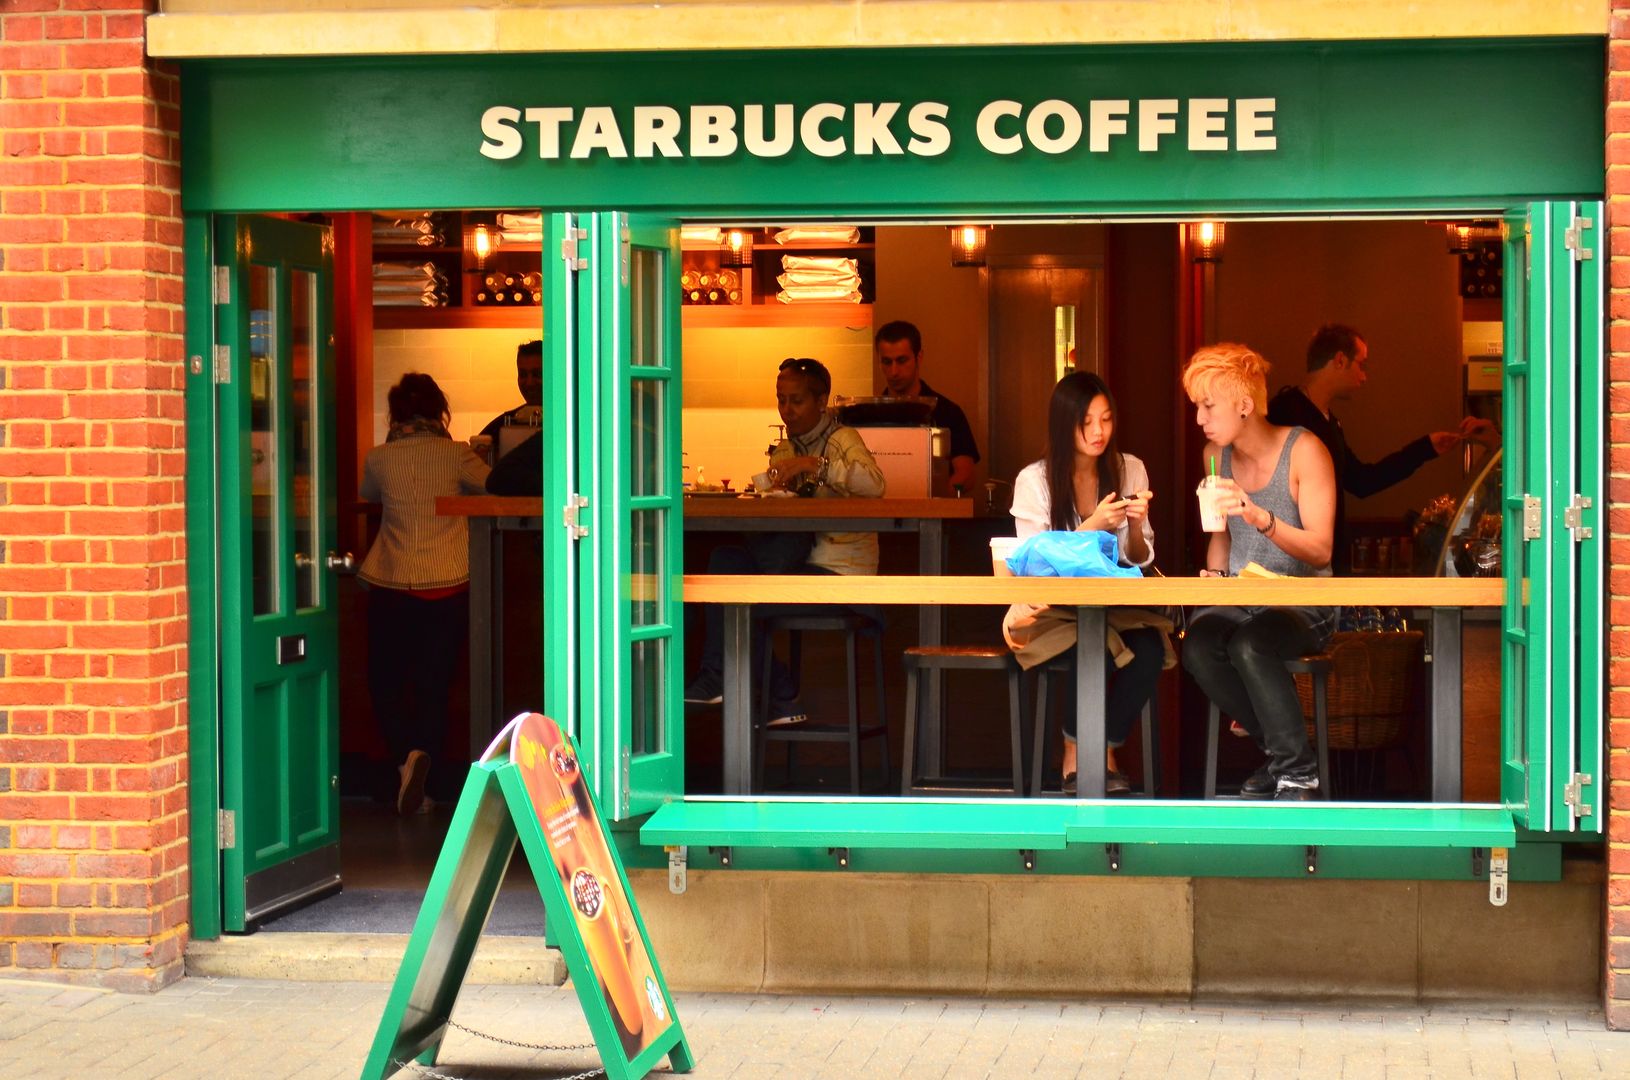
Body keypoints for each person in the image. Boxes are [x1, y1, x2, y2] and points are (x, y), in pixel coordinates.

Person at [684, 357, 887, 725]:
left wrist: (816, 466)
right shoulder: (785, 448)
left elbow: (875, 485)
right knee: (723, 561)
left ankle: (782, 693)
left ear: (820, 401)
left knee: (740, 605)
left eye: (796, 400)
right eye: (781, 400)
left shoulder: (843, 440)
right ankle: (723, 679)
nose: (787, 410)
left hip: (841, 574)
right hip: (796, 565)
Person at [1180, 343, 1339, 801]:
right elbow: (1222, 538)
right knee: (1201, 643)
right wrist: (1214, 579)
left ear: (1245, 405)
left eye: (1208, 406)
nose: (1199, 419)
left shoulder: (1305, 451)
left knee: (1252, 644)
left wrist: (1259, 517)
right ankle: (1282, 755)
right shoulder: (1216, 456)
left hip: (1306, 604)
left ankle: (1297, 774)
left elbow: (1320, 548)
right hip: (1244, 600)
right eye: (1197, 407)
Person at [1002, 371, 1164, 796]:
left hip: (1118, 609)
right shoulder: (1034, 480)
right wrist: (1091, 526)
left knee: (1150, 651)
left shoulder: (1130, 469)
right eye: (1086, 421)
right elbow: (1030, 562)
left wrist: (1136, 525)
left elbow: (1137, 557)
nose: (1098, 432)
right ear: (1063, 423)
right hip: (1049, 612)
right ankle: (1081, 755)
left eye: (1106, 419)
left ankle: (1102, 746)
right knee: (1087, 647)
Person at [359, 373, 491, 814]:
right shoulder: (457, 456)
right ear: (440, 410)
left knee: (388, 683)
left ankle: (404, 764)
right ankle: (427, 776)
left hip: (391, 581)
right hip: (447, 582)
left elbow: (366, 496)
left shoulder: (379, 458)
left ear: (396, 413)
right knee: (435, 686)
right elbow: (494, 487)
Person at [1266, 324, 1497, 574]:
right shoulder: (1286, 411)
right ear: (1340, 361)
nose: (1364, 376)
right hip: (1290, 560)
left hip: (1324, 559)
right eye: (1361, 364)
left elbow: (1362, 481)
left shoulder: (1329, 421)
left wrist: (1425, 448)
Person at [875, 320, 981, 492]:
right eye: (887, 362)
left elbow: (966, 473)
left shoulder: (947, 412)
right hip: (879, 514)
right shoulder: (868, 415)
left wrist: (934, 504)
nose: (894, 371)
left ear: (919, 357)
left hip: (933, 515)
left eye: (902, 361)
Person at [479, 339, 544, 445]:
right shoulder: (502, 425)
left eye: (538, 374)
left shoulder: (571, 421)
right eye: (523, 375)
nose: (529, 383)